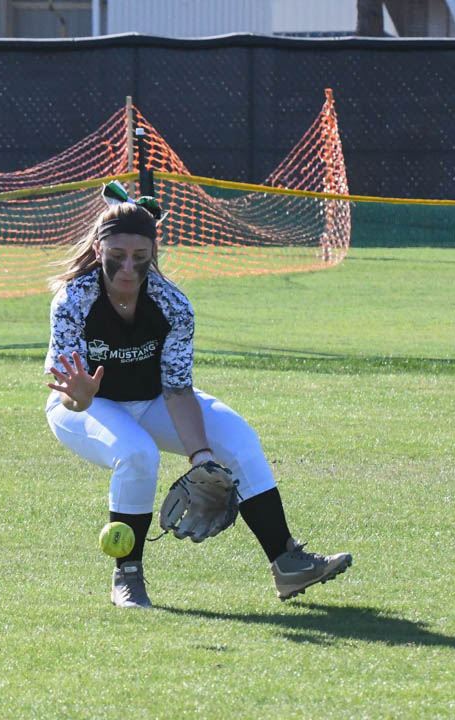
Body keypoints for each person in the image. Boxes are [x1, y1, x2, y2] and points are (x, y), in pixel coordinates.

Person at [44, 182, 351, 608]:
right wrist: (80, 397)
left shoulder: (172, 306)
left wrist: (202, 459)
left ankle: (287, 562)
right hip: (86, 407)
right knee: (137, 454)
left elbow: (176, 388)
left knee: (238, 439)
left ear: (154, 255)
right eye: (117, 257)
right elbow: (70, 397)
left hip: (153, 398)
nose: (128, 268)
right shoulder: (73, 301)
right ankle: (127, 578)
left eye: (140, 257)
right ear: (99, 252)